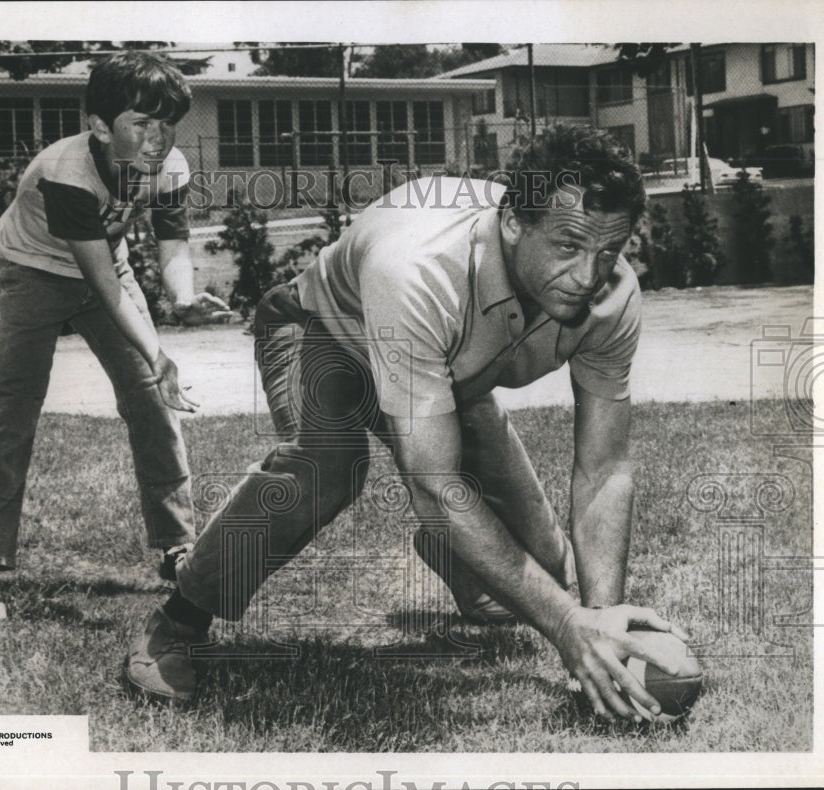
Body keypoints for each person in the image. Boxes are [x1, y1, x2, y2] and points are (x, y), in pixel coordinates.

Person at [126, 125, 688, 722]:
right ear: (515, 222)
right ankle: (178, 621)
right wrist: (565, 623)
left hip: (443, 373)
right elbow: (434, 484)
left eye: (608, 251)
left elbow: (603, 467)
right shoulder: (418, 267)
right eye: (569, 246)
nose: (588, 275)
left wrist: (601, 621)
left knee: (545, 565)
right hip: (326, 335)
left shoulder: (613, 293)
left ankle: (463, 562)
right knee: (327, 469)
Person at [0, 51, 229, 622]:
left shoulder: (170, 165)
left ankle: (178, 547)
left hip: (111, 267)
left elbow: (172, 242)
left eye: (166, 122)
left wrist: (181, 300)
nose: (157, 139)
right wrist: (157, 351)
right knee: (12, 411)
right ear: (101, 127)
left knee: (153, 403)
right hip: (34, 272)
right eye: (140, 123)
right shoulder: (68, 173)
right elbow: (100, 284)